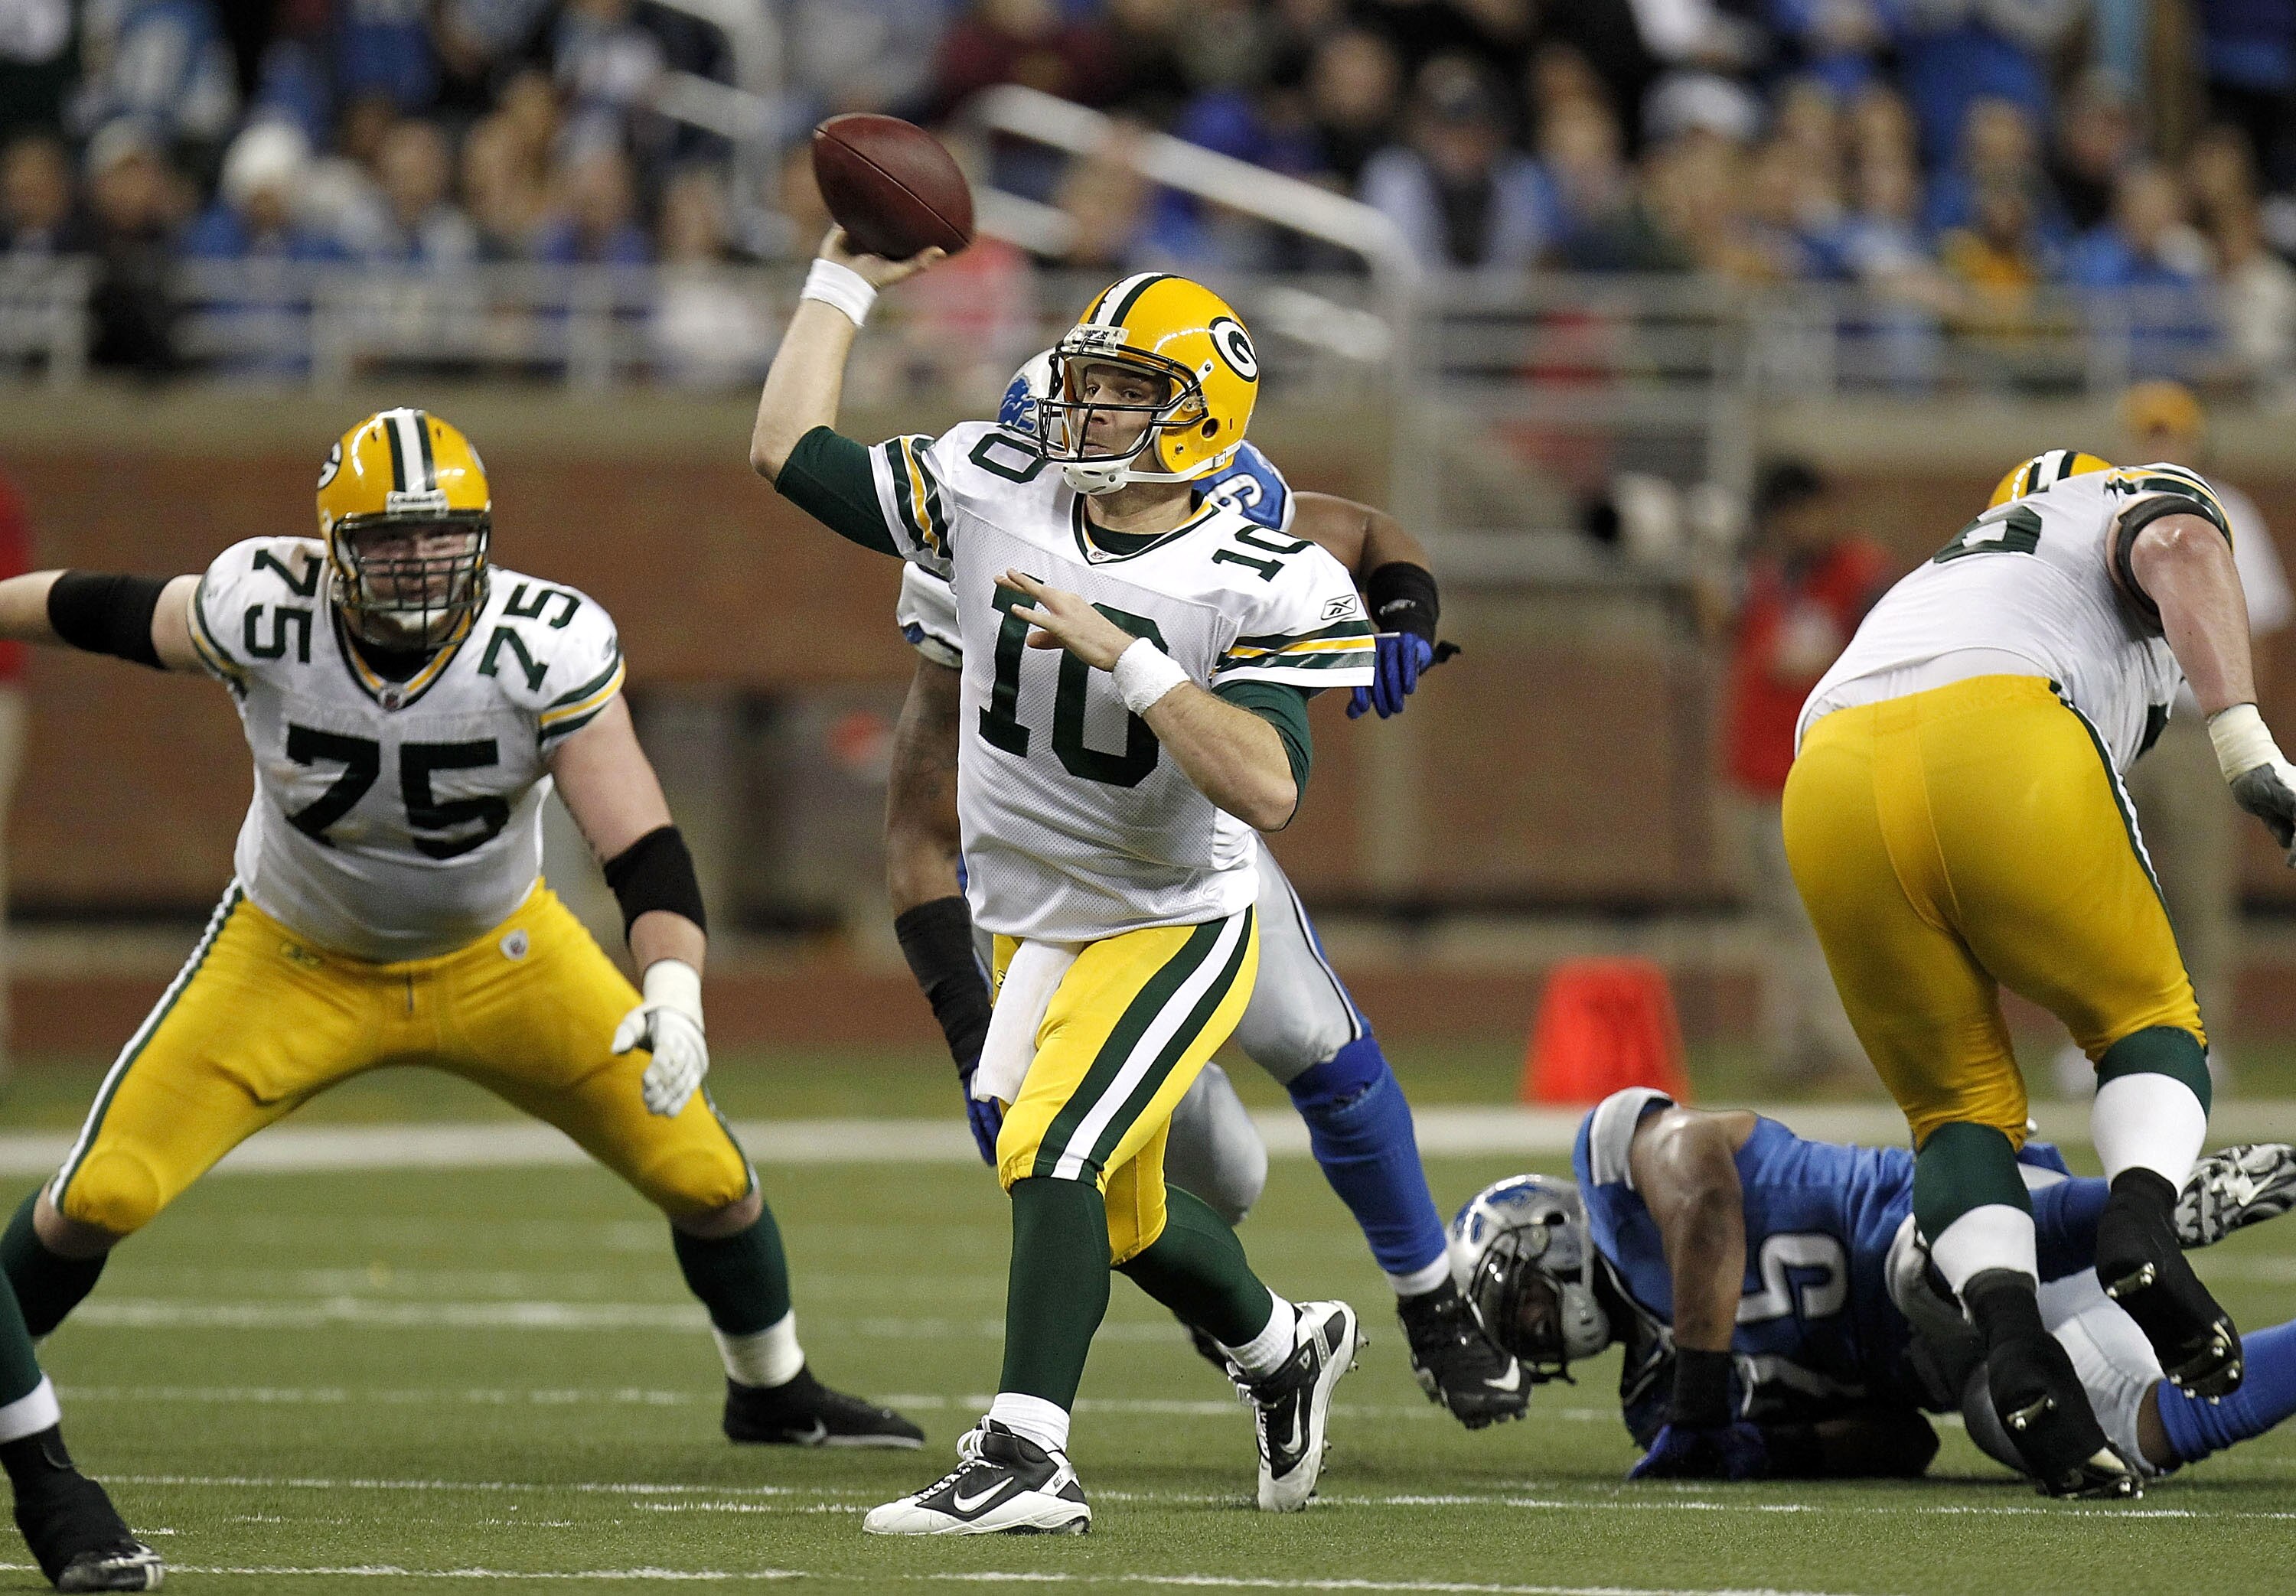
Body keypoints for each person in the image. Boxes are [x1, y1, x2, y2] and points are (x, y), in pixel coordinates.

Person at [0, 409, 922, 1484]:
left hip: (502, 955)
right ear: (331, 546)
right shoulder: (261, 607)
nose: (419, 563)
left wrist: (673, 989)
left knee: (713, 1181)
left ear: (483, 534)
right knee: (97, 1198)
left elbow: (645, 846)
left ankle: (772, 1390)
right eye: (387, 540)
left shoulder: (541, 643)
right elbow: (95, 607)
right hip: (291, 951)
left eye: (441, 536)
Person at [750, 251, 1375, 1532]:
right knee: (1127, 1214)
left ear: (1198, 413)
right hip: (1039, 915)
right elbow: (783, 445)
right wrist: (842, 277)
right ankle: (1279, 1349)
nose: (1076, 412)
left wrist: (1132, 661)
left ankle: (1029, 1455)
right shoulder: (994, 490)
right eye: (1082, 382)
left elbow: (1267, 787)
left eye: (1117, 394)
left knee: (1056, 1144)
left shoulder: (1265, 573)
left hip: (1172, 919)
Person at [885, 354, 1521, 1429]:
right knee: (1203, 1174)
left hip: (1196, 864)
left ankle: (1429, 1298)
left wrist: (1404, 612)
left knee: (1322, 1045)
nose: (1081, 455)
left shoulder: (1209, 504)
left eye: (1104, 420)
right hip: (1054, 897)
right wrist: (967, 1030)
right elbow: (915, 834)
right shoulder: (971, 547)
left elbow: (1362, 531)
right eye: (1063, 432)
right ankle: (1258, 1331)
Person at [1783, 448, 2296, 1495]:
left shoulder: (1953, 566)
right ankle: (2141, 1220)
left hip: (1827, 772)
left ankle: (2015, 1340)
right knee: (2147, 1016)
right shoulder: (2107, 502)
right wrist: (2248, 747)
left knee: (1959, 1111)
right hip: (2000, 733)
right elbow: (2182, 540)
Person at [1446, 1086, 2296, 1487]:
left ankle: (2142, 1212)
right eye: (1508, 1328)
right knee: (2082, 1432)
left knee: (1916, 1272)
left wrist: (1704, 1405)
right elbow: (1902, 1444)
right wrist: (1771, 1453)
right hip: (1963, 1359)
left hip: (1939, 1219)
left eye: (1514, 1299)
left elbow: (1704, 1188)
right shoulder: (1651, 1403)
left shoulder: (1612, 1166)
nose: (1527, 1331)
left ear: (1548, 1232)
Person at [2115, 384, 2292, 1079]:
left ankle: (2202, 1039)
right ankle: (2115, 1041)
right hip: (2120, 725)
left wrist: (2246, 728)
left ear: (2196, 440)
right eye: (2148, 432)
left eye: (2172, 433)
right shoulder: (2106, 502)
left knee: (2197, 891)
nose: (2160, 445)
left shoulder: (2230, 513)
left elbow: (2262, 625)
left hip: (2193, 730)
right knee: (2112, 888)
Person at [1706, 460, 1887, 1087]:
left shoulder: (1856, 574)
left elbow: (1888, 651)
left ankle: (1846, 1053)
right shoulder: (1762, 575)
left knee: (1821, 921)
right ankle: (1796, 1051)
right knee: (1779, 925)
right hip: (1751, 773)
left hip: (1814, 772)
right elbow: (1716, 627)